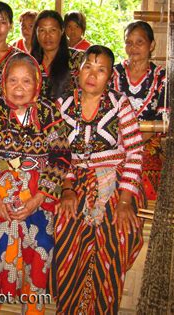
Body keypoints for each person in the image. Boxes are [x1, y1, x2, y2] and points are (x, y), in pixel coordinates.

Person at [0, 52, 70, 315]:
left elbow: (60, 157)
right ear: (3, 82)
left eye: (26, 81)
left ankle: (32, 305)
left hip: (37, 191)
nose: (19, 88)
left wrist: (38, 199)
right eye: (13, 80)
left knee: (42, 245)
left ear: (37, 83)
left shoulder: (48, 111)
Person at [52, 45, 145, 313]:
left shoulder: (119, 104)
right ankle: (70, 306)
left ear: (109, 76)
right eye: (88, 67)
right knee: (66, 226)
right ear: (78, 71)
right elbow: (58, 153)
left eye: (101, 69)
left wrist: (125, 200)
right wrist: (67, 189)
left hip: (114, 180)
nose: (93, 74)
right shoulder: (64, 105)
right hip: (74, 181)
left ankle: (102, 307)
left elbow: (135, 151)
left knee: (118, 232)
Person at [112, 21, 169, 201]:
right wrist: (121, 144)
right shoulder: (113, 73)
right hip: (115, 142)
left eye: (139, 42)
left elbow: (163, 120)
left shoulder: (162, 78)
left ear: (151, 45)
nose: (133, 48)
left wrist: (133, 144)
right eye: (129, 42)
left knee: (147, 178)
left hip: (147, 143)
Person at [31, 10, 85, 102]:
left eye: (53, 30)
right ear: (36, 32)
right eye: (42, 30)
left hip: (71, 115)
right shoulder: (29, 63)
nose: (47, 36)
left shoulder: (78, 59)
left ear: (62, 31)